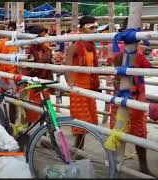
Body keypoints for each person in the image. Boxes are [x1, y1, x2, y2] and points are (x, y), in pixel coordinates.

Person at [109, 46, 153, 175]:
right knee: (120, 133)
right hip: (127, 97)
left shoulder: (134, 54)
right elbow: (117, 79)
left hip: (134, 97)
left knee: (138, 133)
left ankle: (142, 165)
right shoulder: (122, 55)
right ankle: (117, 164)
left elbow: (147, 68)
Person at [64, 16, 100, 150]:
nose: (95, 30)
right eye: (92, 27)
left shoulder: (91, 47)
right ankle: (78, 150)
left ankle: (79, 149)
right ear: (82, 28)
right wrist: (71, 84)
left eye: (96, 27)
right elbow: (66, 67)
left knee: (88, 119)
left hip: (89, 87)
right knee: (81, 120)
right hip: (78, 88)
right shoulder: (74, 46)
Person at [21, 25, 53, 124]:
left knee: (47, 107)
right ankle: (34, 130)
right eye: (41, 36)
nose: (43, 38)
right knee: (33, 110)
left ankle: (45, 130)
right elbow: (23, 71)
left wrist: (51, 84)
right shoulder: (27, 51)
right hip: (32, 82)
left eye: (44, 36)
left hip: (44, 82)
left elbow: (50, 68)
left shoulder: (47, 50)